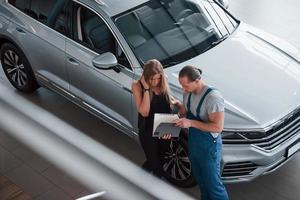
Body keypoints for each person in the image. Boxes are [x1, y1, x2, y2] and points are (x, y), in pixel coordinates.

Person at [175, 66, 229, 200]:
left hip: (209, 147)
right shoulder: (187, 92)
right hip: (194, 143)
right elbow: (188, 112)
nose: (183, 89)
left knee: (213, 186)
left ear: (197, 80)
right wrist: (180, 106)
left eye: (185, 85)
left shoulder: (213, 98)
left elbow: (217, 127)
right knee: (202, 182)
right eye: (181, 85)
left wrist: (191, 123)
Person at [132, 59, 177, 177]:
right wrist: (146, 89)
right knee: (156, 166)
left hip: (164, 127)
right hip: (147, 130)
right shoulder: (137, 86)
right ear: (146, 76)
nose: (156, 82)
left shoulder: (163, 80)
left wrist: (169, 128)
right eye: (152, 79)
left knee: (160, 160)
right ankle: (156, 188)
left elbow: (167, 103)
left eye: (158, 78)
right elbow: (144, 112)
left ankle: (141, 177)